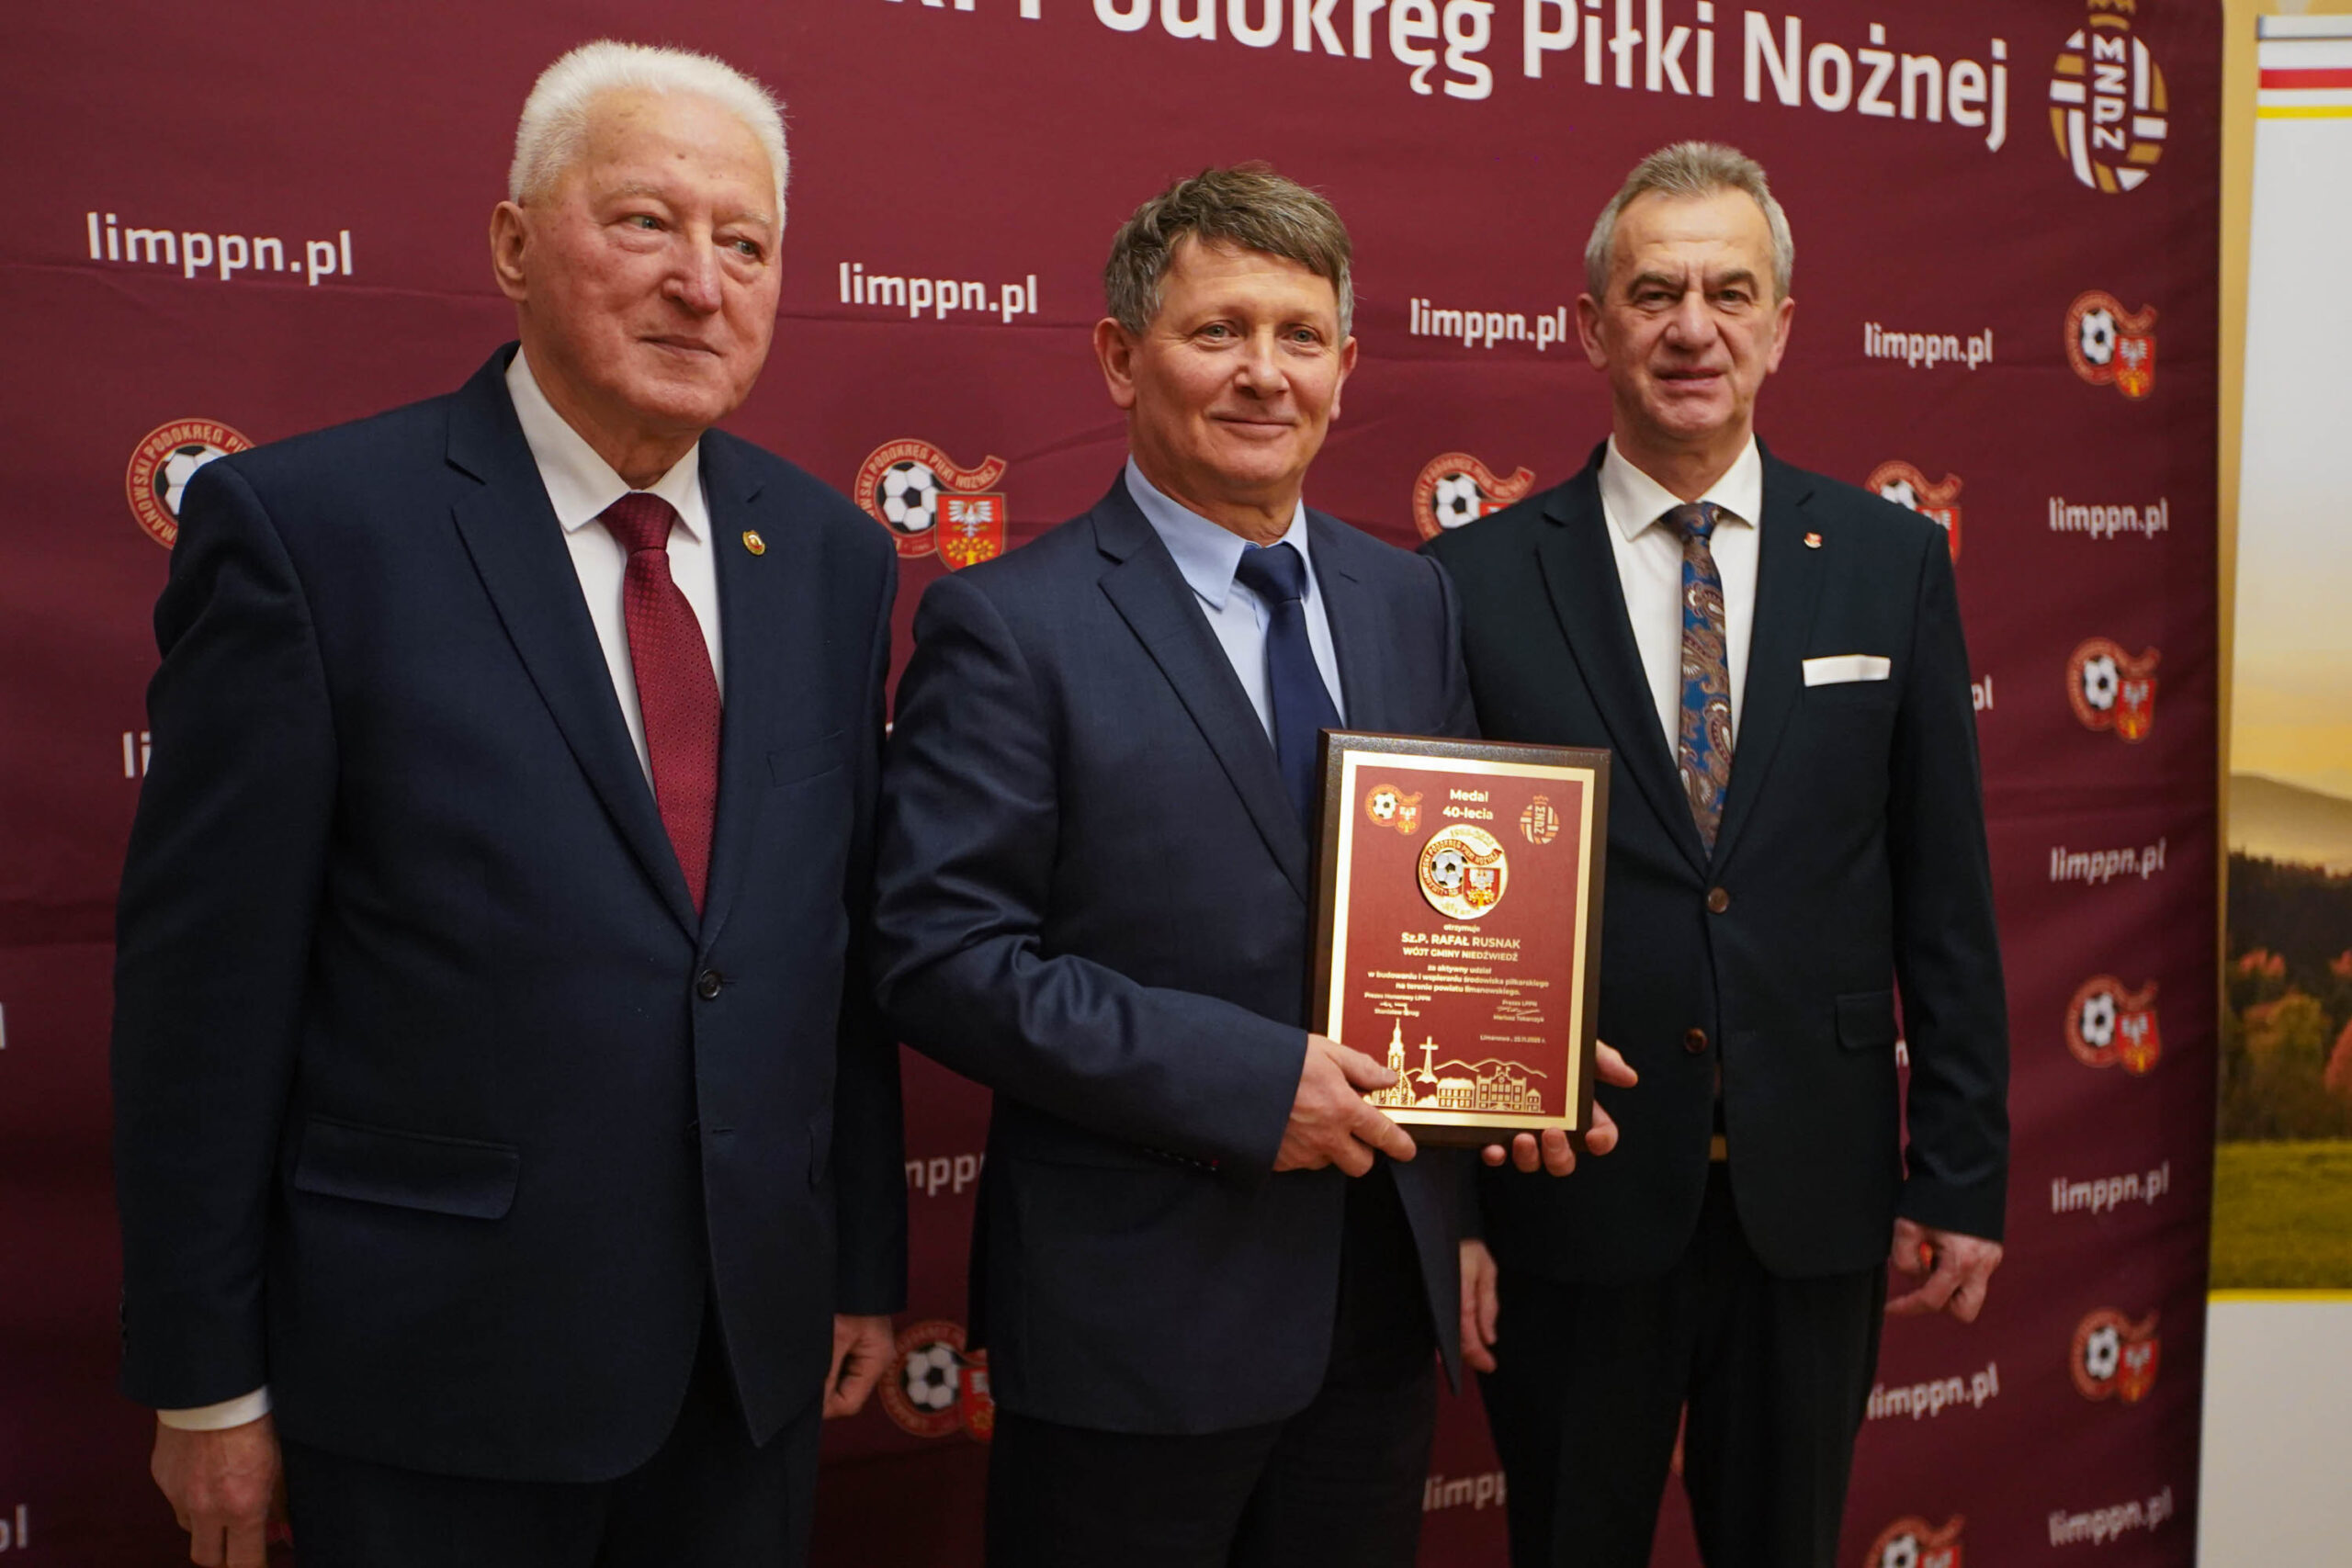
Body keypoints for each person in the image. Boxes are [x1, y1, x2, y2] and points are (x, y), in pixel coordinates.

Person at [110, 40, 904, 1568]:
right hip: (432, 1376)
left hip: (745, 1367)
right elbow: (203, 997)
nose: (701, 283)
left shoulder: (830, 556)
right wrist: (205, 1380)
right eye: (646, 223)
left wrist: (861, 1257)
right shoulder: (308, 532)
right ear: (514, 243)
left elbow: (831, 955)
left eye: (745, 244)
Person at [871, 164, 1630, 1568]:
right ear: (1121, 357)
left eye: (1300, 336)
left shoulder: (1410, 599)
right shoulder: (1009, 625)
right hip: (1135, 1330)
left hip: (1376, 1312)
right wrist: (1247, 1081)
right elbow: (943, 957)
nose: (1264, 374)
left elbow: (1449, 899)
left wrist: (1511, 1052)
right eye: (1218, 330)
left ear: (1345, 368)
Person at [1425, 141, 2009, 1568]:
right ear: (1592, 325)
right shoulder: (1471, 583)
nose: (1694, 327)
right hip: (1570, 1204)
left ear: (1782, 325)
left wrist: (1961, 1173)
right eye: (1656, 293)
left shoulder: (1889, 562)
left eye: (1730, 293)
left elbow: (1945, 893)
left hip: (1813, 1202)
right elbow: (1445, 921)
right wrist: (1451, 1209)